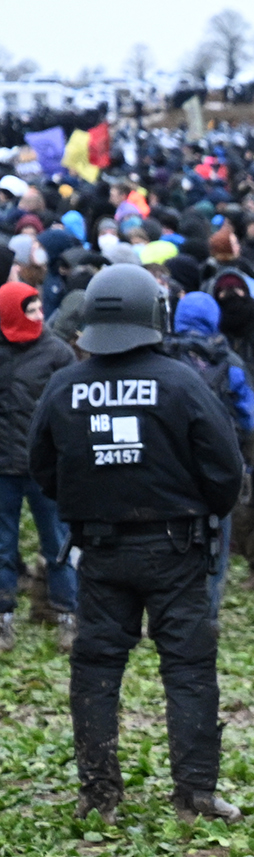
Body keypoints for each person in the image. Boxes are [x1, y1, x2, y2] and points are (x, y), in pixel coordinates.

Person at [26, 264, 246, 823]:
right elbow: (225, 468)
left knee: (96, 668)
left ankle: (99, 796)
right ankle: (195, 795)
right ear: (155, 314)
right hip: (175, 548)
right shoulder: (180, 381)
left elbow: (43, 469)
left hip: (98, 552)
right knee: (189, 668)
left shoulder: (63, 385)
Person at [160, 290, 254, 622]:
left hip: (173, 467)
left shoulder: (164, 360)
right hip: (220, 465)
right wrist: (245, 466)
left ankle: (173, 612)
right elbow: (249, 420)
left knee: (172, 540)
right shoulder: (230, 363)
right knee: (218, 539)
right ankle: (209, 615)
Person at [0, 280, 77, 653]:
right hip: (2, 468)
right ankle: (3, 620)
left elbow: (71, 411)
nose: (39, 315)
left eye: (38, 308)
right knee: (2, 546)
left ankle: (68, 616)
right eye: (29, 310)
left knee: (58, 544)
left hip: (44, 468)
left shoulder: (58, 353)